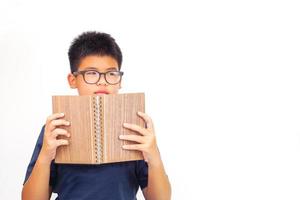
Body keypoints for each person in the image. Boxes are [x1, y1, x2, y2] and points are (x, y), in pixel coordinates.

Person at [22, 31, 171, 200]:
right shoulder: (57, 128)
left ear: (120, 81)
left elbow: (161, 198)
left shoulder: (135, 129)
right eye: (91, 73)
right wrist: (45, 156)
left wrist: (154, 157)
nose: (102, 81)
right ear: (73, 80)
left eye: (111, 73)